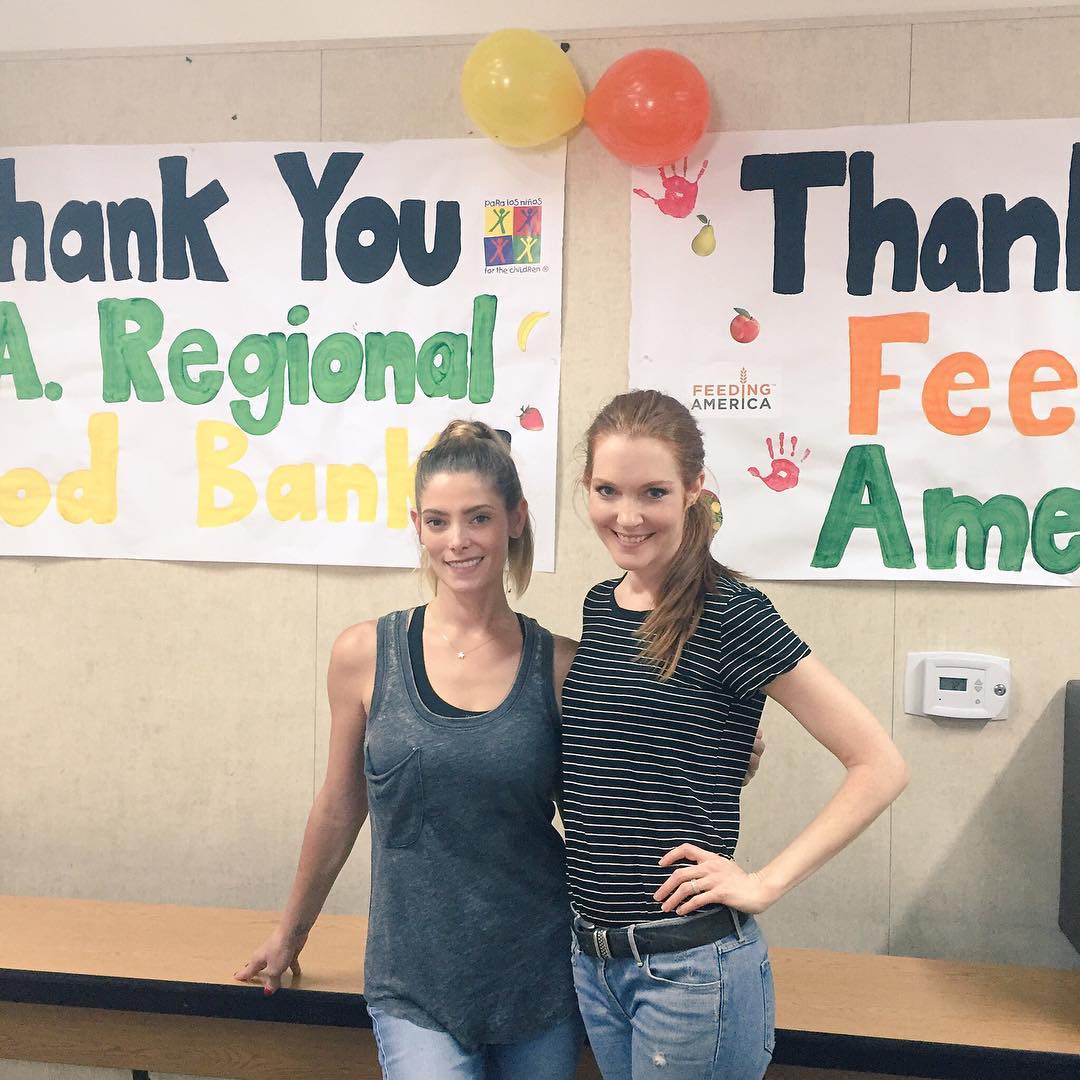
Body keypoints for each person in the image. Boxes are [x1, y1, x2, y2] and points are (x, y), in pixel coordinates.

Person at [560, 389, 909, 1080]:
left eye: (653, 492)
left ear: (694, 489)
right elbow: (636, 752)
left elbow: (879, 764)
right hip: (594, 961)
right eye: (607, 491)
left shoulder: (731, 612)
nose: (626, 516)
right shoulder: (602, 605)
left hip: (686, 968)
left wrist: (765, 883)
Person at [235, 420, 585, 1079]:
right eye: (438, 521)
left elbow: (604, 818)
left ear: (515, 519)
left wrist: (718, 757)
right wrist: (291, 932)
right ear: (417, 525)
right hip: (415, 979)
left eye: (478, 518)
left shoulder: (562, 667)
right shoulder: (365, 655)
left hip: (538, 975)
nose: (458, 541)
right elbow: (340, 806)